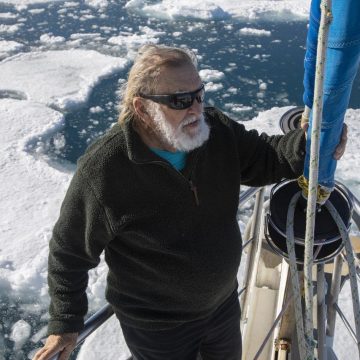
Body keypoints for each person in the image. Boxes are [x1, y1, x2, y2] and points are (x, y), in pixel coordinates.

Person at [33, 44, 347, 360]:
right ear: (142, 108)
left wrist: (313, 142)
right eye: (181, 100)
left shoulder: (216, 131)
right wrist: (65, 322)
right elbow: (69, 250)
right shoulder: (107, 169)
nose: (196, 109)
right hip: (158, 328)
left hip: (222, 305)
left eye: (199, 94)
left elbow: (267, 157)